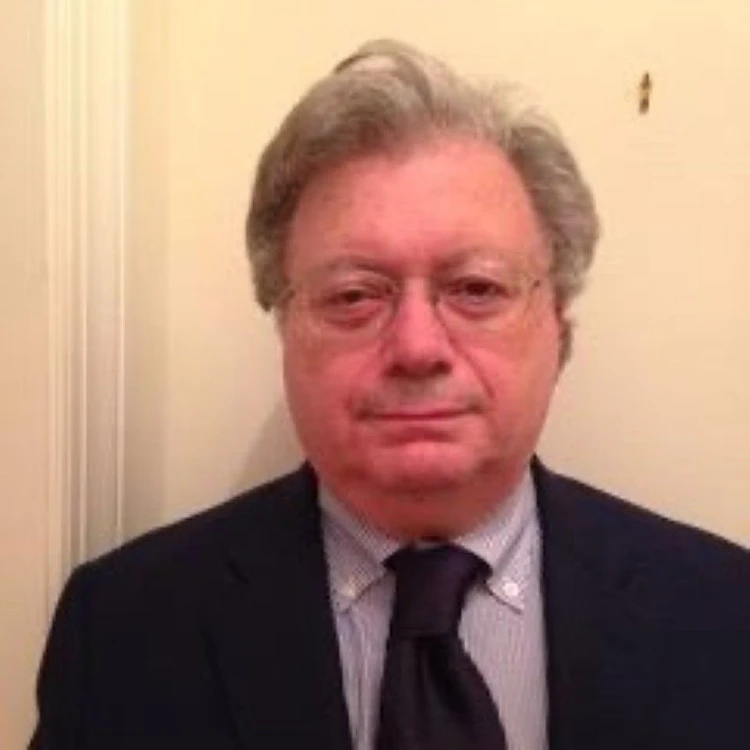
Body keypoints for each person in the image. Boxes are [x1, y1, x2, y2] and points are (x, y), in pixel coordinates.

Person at [31, 39, 749, 750]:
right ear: (285, 328)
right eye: (353, 295)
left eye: (477, 288)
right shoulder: (124, 630)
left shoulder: (727, 615)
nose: (416, 347)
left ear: (557, 327)